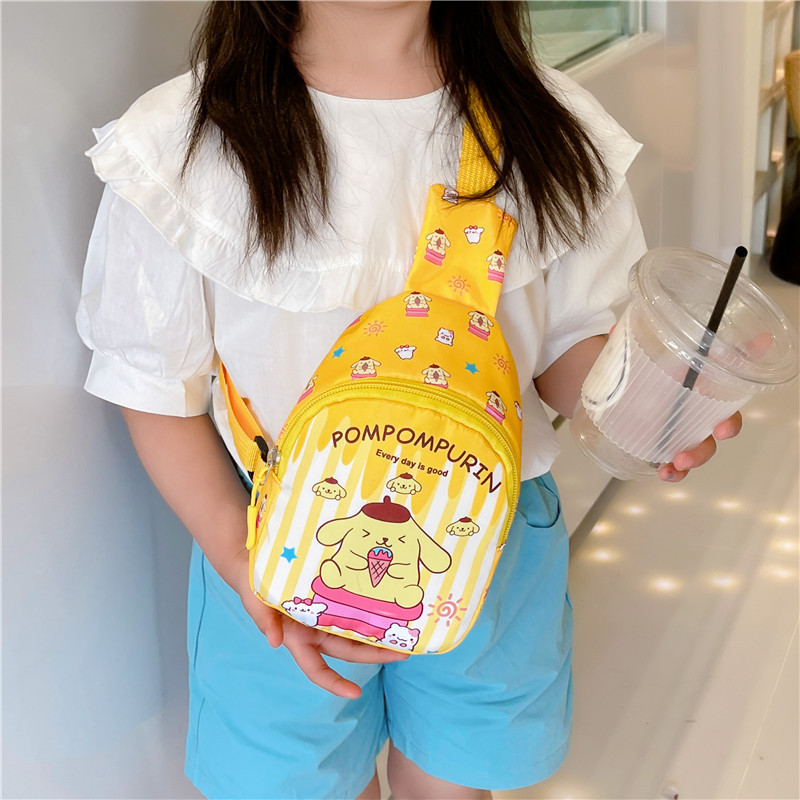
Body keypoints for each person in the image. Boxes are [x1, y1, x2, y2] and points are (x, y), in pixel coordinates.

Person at [76, 3, 742, 798]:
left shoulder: (547, 122)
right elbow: (154, 388)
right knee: (302, 786)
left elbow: (567, 346)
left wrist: (648, 408)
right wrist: (247, 564)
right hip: (269, 542)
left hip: (489, 538)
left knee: (454, 780)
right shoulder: (185, 141)